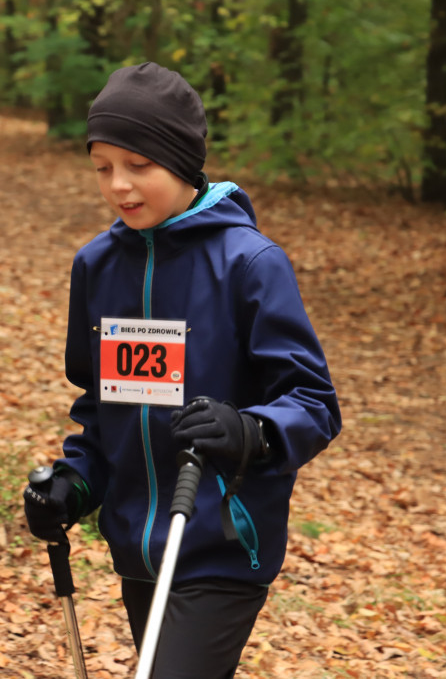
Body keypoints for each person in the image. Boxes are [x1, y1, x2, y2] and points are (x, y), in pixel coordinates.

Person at [23, 62, 342, 678]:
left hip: (220, 544)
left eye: (139, 165)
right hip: (139, 551)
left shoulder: (249, 264)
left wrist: (252, 430)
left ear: (183, 160)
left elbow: (313, 402)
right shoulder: (96, 266)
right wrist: (75, 484)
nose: (119, 185)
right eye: (102, 167)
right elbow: (102, 409)